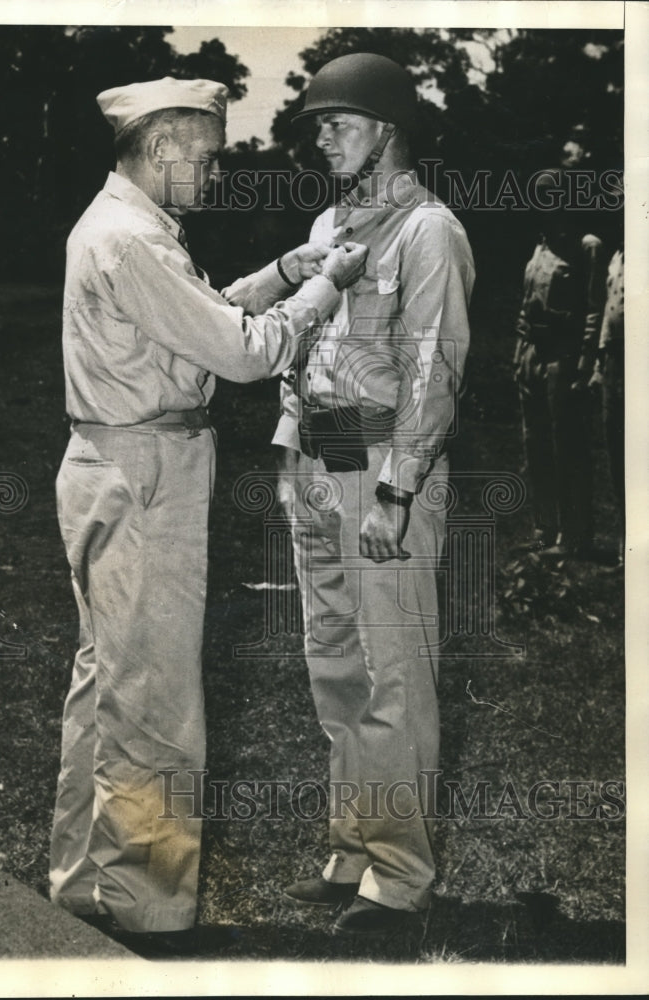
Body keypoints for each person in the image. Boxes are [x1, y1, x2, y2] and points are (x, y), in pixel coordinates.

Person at [48, 74, 368, 952]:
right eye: (208, 156)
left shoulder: (128, 228)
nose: (216, 172)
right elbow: (238, 352)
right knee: (154, 699)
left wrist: (277, 274)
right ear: (160, 148)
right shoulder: (133, 239)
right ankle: (149, 911)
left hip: (112, 462)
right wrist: (324, 288)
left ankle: (80, 883)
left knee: (107, 686)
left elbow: (194, 317)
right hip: (146, 471)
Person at [272, 53, 474, 938]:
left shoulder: (430, 231)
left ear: (387, 127)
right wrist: (289, 460)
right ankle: (353, 848)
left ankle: (399, 877)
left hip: (386, 472)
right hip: (318, 469)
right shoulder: (330, 222)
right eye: (317, 123)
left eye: (339, 121)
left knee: (395, 676)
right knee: (336, 671)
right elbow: (304, 353)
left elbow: (434, 368)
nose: (322, 136)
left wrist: (397, 491)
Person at [513, 169, 605, 557]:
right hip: (533, 352)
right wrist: (519, 353)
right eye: (537, 196)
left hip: (565, 355)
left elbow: (593, 309)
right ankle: (543, 529)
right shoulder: (540, 246)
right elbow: (525, 305)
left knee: (566, 444)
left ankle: (574, 535)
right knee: (535, 444)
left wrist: (585, 363)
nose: (543, 203)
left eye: (550, 196)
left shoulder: (587, 246)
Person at [589, 243, 625, 568]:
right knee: (617, 453)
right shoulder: (616, 257)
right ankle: (625, 546)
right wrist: (600, 363)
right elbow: (608, 309)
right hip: (613, 360)